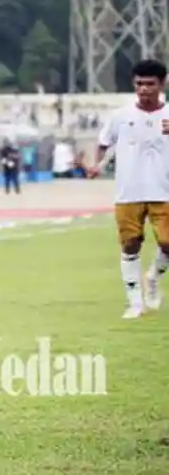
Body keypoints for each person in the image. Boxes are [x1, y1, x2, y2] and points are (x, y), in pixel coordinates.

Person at [88, 58, 169, 319]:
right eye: (139, 84)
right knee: (130, 244)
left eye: (150, 84)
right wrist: (97, 164)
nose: (144, 89)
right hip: (129, 191)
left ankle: (154, 277)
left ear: (162, 84)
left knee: (168, 243)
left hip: (164, 190)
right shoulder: (120, 116)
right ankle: (135, 303)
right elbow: (104, 143)